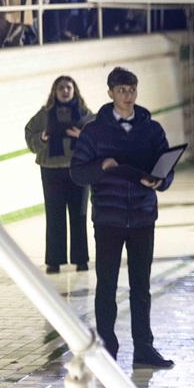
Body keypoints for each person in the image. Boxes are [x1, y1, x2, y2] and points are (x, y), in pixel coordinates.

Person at [69, 67, 175, 368]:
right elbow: (77, 172)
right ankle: (106, 349)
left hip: (142, 217)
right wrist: (102, 165)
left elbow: (166, 167)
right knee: (107, 286)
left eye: (132, 89)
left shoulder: (151, 129)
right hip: (109, 219)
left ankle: (144, 349)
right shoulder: (94, 131)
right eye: (121, 90)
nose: (128, 96)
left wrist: (160, 181)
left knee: (141, 287)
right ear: (110, 93)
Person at [25, 76, 96, 273]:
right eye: (61, 88)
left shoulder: (84, 114)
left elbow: (99, 135)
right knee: (54, 215)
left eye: (68, 87)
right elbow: (30, 132)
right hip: (51, 169)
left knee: (79, 215)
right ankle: (54, 261)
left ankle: (80, 259)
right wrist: (42, 137)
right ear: (54, 92)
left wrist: (83, 136)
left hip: (78, 169)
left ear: (75, 90)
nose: (65, 91)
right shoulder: (45, 114)